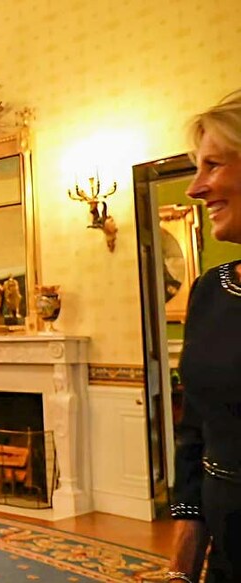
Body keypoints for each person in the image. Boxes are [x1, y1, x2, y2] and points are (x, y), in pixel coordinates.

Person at [168, 89, 241, 583]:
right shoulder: (209, 292)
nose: (195, 189)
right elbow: (196, 433)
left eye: (212, 165)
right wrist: (181, 568)